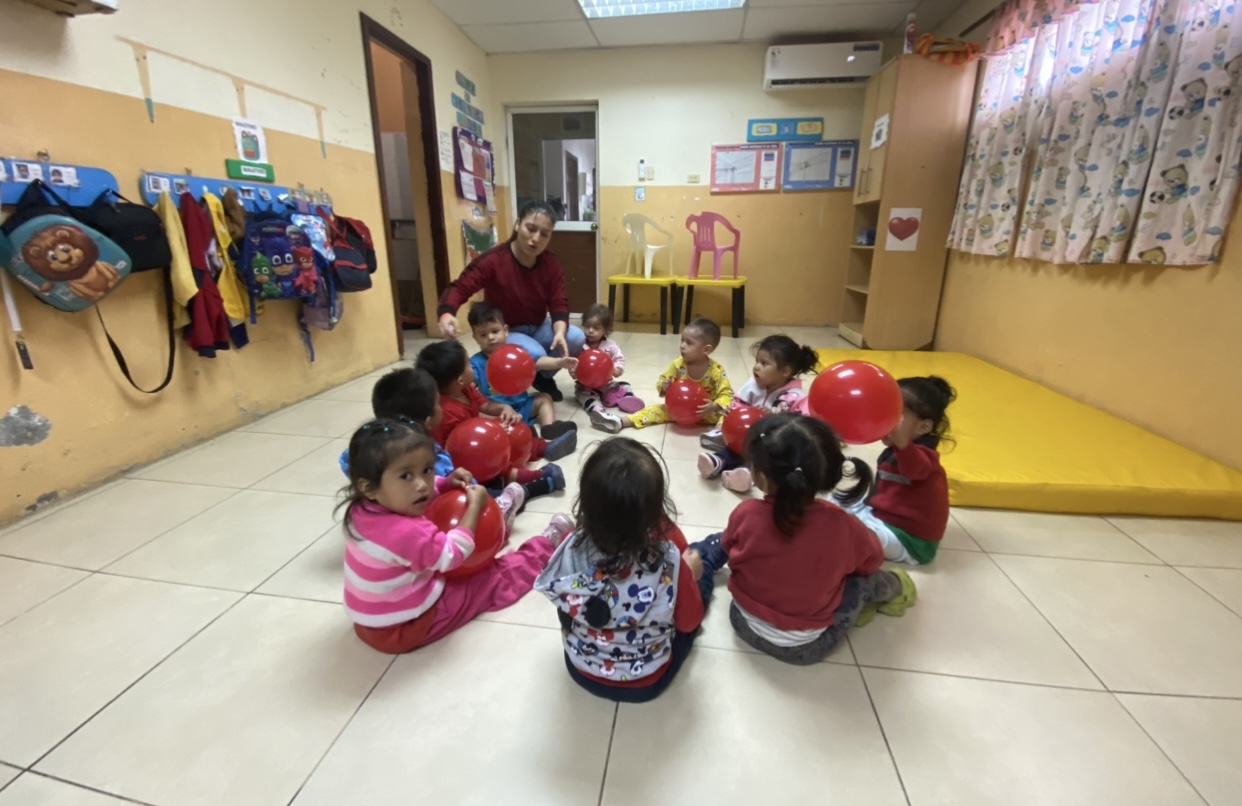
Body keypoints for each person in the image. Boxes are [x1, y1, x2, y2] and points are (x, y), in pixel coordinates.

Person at [687, 414, 917, 665]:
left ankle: (706, 560)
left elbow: (732, 545)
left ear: (760, 478)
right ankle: (900, 589)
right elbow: (871, 562)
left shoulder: (746, 513)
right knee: (866, 582)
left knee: (726, 539)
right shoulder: (843, 525)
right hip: (807, 647)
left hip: (743, 622)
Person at [340, 419, 575, 654]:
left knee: (454, 543)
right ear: (369, 487)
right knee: (492, 580)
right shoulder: (405, 531)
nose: (422, 485)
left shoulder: (362, 509)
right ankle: (545, 546)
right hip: (406, 628)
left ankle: (501, 518)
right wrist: (474, 508)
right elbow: (453, 555)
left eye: (427, 470)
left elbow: (420, 498)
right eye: (406, 476)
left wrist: (444, 484)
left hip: (370, 624)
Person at [535, 438, 714, 702]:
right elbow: (688, 622)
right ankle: (708, 562)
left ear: (585, 503)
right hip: (647, 682)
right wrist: (689, 575)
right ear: (656, 512)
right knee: (702, 576)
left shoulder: (570, 546)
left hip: (580, 670)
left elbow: (566, 608)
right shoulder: (669, 558)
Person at [338, 367, 527, 527]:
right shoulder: (428, 454)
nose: (442, 407)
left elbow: (346, 460)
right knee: (494, 498)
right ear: (428, 421)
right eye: (438, 403)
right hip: (435, 519)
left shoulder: (365, 449)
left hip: (399, 506)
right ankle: (503, 508)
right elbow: (457, 491)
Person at [436, 201, 585, 401]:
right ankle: (532, 371)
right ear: (517, 224)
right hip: (506, 331)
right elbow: (461, 286)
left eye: (545, 234)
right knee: (535, 352)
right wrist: (447, 313)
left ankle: (541, 377)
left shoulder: (550, 263)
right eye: (530, 229)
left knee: (575, 337)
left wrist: (559, 332)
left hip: (539, 325)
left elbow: (559, 301)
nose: (536, 239)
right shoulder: (494, 260)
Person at [416, 340, 573, 500]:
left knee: (511, 426)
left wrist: (504, 408)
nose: (472, 367)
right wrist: (493, 435)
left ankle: (542, 447)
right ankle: (521, 476)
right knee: (496, 453)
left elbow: (485, 404)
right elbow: (460, 449)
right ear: (460, 379)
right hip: (464, 461)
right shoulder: (446, 411)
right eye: (468, 364)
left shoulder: (466, 389)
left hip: (478, 442)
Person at [845, 376, 956, 566]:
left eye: (895, 417)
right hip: (882, 517)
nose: (884, 421)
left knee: (851, 536)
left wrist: (902, 441)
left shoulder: (925, 457)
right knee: (836, 502)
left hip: (910, 541)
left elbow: (914, 469)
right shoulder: (896, 450)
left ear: (923, 427)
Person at [699, 335, 818, 493]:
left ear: (785, 371)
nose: (756, 367)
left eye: (764, 363)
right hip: (743, 439)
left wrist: (773, 420)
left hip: (770, 447)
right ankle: (717, 461)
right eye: (757, 361)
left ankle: (746, 475)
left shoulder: (796, 397)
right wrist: (733, 413)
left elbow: (801, 427)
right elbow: (739, 402)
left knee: (765, 460)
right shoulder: (753, 385)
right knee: (732, 450)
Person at [588, 318, 733, 432]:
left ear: (706, 350)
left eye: (689, 343)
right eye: (682, 340)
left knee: (729, 414)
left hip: (707, 414)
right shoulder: (678, 365)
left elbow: (727, 394)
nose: (682, 345)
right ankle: (620, 422)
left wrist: (714, 406)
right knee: (655, 410)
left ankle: (718, 433)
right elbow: (663, 381)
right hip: (678, 411)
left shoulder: (716, 371)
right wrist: (664, 386)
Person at [467, 302, 577, 439]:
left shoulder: (516, 353)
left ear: (505, 330)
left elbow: (537, 362)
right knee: (478, 415)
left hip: (523, 405)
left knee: (544, 398)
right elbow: (468, 386)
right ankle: (514, 429)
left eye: (495, 331)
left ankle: (549, 427)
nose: (490, 337)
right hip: (497, 411)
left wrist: (560, 362)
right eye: (483, 335)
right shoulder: (475, 362)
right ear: (475, 338)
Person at [574, 303, 644, 415]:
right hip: (586, 386)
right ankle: (596, 409)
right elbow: (573, 362)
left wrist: (618, 369)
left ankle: (628, 398)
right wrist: (573, 370)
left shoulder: (610, 345)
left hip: (606, 384)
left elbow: (619, 359)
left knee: (624, 385)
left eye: (596, 328)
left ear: (606, 330)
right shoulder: (580, 345)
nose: (590, 330)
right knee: (585, 395)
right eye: (587, 326)